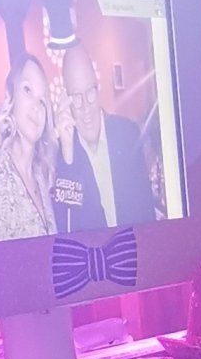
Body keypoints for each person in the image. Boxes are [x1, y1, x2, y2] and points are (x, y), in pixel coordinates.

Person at [49, 41, 158, 233]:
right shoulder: (60, 156)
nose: (85, 107)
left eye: (90, 93)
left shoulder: (128, 134)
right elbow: (64, 229)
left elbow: (146, 210)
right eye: (76, 97)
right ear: (65, 99)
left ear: (97, 88)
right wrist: (67, 157)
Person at [0, 55, 56, 241]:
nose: (36, 107)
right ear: (12, 95)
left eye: (42, 101)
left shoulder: (40, 175)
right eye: (28, 90)